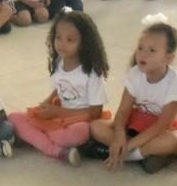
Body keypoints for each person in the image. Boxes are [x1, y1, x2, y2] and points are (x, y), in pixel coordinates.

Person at [87, 16, 177, 173]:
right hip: (141, 120)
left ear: (168, 57)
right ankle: (147, 156)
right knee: (96, 126)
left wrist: (128, 146)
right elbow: (123, 112)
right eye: (140, 48)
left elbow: (161, 125)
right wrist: (119, 137)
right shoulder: (135, 74)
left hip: (169, 127)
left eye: (152, 50)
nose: (143, 54)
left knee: (175, 142)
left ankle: (123, 155)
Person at [8, 10, 108, 165]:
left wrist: (59, 112)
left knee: (80, 132)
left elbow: (95, 113)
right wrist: (48, 101)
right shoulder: (59, 62)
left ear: (85, 43)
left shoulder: (92, 72)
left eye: (70, 40)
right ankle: (56, 149)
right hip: (58, 117)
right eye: (58, 37)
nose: (62, 43)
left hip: (80, 120)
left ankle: (43, 142)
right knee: (14, 118)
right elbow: (59, 88)